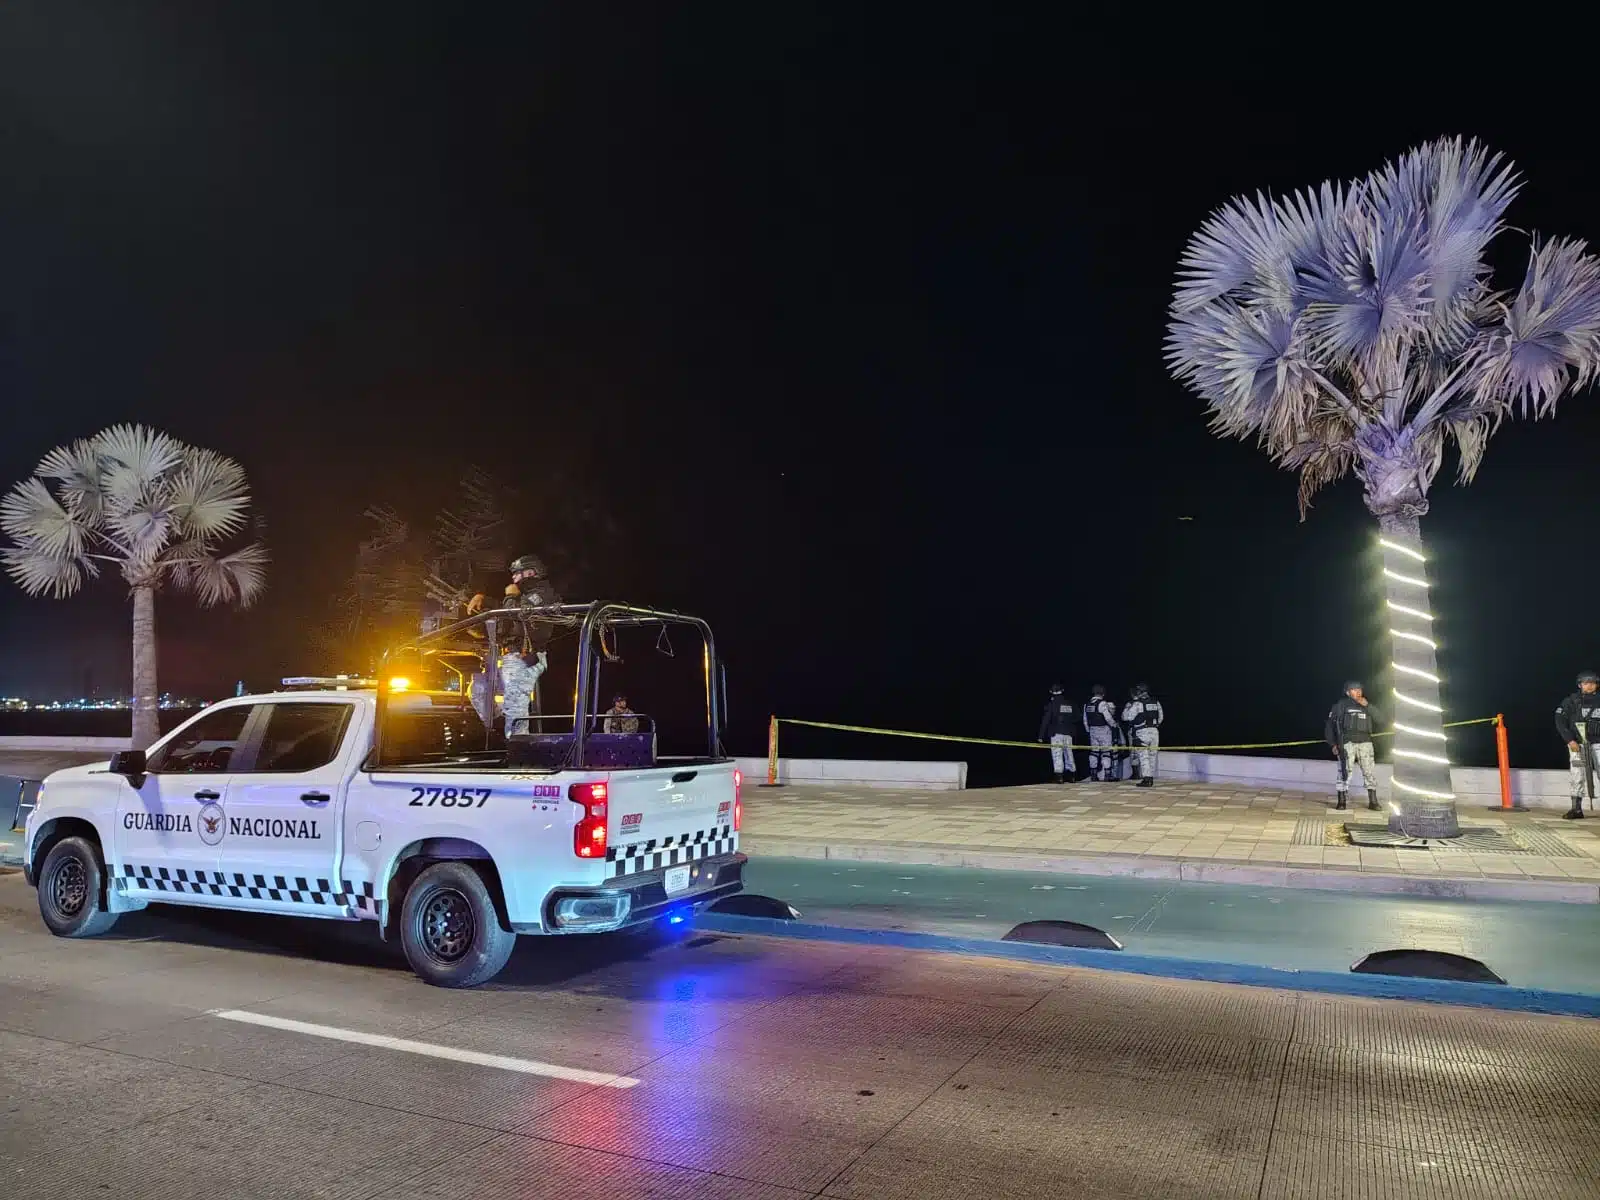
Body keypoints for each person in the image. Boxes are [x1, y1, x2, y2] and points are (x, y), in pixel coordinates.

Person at [1325, 680, 1379, 811]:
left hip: (1365, 743)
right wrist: (1333, 744)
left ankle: (1373, 801)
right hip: (1347, 743)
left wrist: (1369, 706)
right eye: (1354, 689)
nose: (1358, 691)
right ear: (1348, 692)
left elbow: (1381, 719)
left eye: (1360, 689)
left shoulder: (1366, 704)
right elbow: (1329, 726)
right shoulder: (1340, 705)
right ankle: (1342, 801)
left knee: (1369, 771)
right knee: (1344, 772)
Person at [1553, 670, 1600, 820]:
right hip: (1577, 745)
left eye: (1592, 683)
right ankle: (1576, 808)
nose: (1589, 686)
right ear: (1580, 685)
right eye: (1586, 683)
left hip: (1598, 744)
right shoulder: (1572, 701)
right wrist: (1569, 740)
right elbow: (1560, 720)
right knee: (1577, 775)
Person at [1121, 683, 1164, 788]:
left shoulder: (1137, 704)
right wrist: (1154, 725)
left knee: (1143, 756)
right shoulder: (1155, 702)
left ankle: (1146, 779)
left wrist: (1127, 708)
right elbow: (1161, 717)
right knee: (1152, 755)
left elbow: (1126, 717)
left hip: (1142, 731)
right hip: (1154, 731)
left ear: (1140, 692)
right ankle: (1151, 778)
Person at [1036, 684, 1077, 783]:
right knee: (1069, 754)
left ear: (1051, 692)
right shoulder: (1069, 703)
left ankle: (1059, 777)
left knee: (1057, 754)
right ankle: (1072, 776)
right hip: (1068, 733)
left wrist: (1041, 736)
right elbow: (1076, 718)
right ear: (1062, 691)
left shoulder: (1051, 704)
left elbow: (1046, 720)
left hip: (1056, 733)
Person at [1083, 685, 1119, 782]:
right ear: (1103, 693)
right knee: (1106, 752)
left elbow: (1085, 720)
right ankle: (1107, 775)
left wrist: (1088, 731)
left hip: (1092, 730)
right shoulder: (1102, 703)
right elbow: (1107, 717)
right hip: (1104, 730)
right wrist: (1114, 725)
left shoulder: (1087, 704)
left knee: (1094, 752)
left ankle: (1093, 774)